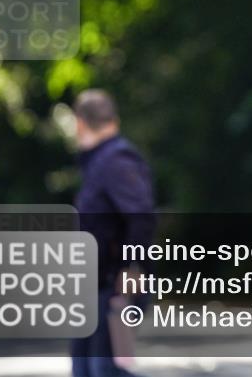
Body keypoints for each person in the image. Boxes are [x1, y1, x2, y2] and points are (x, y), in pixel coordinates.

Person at [71, 89, 156, 377]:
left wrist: (133, 268)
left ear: (80, 123)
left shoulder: (116, 160)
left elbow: (142, 217)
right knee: (86, 367)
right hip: (97, 285)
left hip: (118, 286)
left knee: (106, 368)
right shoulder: (99, 161)